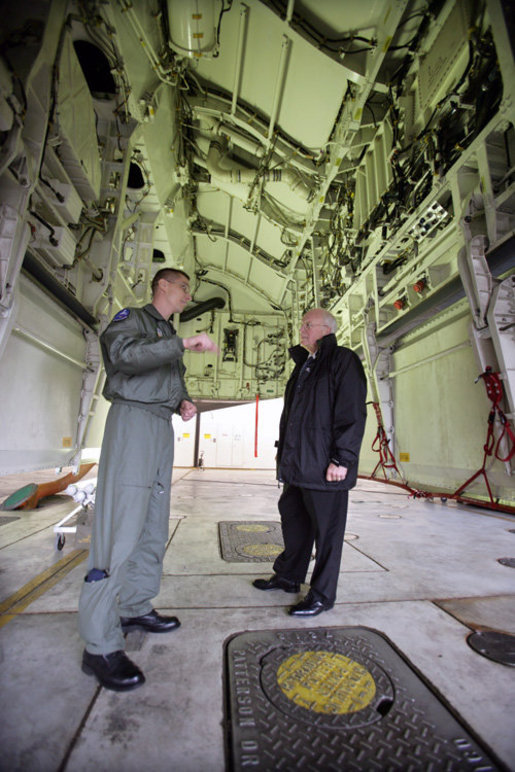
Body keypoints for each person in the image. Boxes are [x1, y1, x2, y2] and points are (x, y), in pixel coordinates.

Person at [78, 268, 218, 691]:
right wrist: (181, 343)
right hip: (133, 423)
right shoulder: (132, 320)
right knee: (119, 527)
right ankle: (98, 645)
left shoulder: (164, 333)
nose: (187, 294)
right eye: (184, 287)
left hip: (159, 426)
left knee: (152, 525)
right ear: (163, 286)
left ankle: (135, 605)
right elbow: (124, 358)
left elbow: (164, 377)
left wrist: (183, 401)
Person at [253, 308, 366, 616]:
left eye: (307, 325)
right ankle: (289, 577)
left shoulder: (342, 360)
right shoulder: (305, 364)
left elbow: (352, 413)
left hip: (325, 468)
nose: (301, 329)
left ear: (326, 329)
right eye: (302, 324)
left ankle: (322, 594)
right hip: (299, 467)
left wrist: (342, 458)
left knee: (327, 534)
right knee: (294, 521)